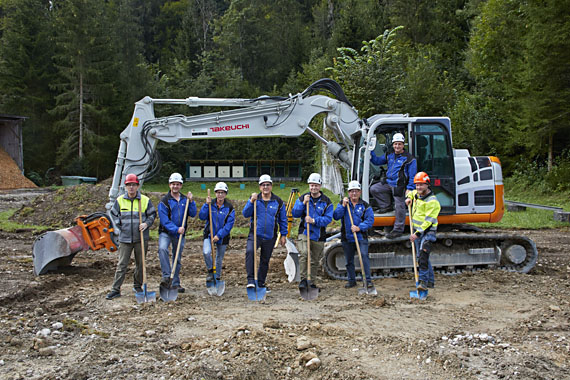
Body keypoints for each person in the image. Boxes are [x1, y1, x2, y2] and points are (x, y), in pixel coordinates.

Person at [106, 173, 156, 300]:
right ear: (125, 187)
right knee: (122, 264)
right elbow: (113, 214)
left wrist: (146, 223)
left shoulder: (144, 200)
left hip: (141, 238)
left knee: (140, 264)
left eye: (134, 185)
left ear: (138, 186)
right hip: (125, 238)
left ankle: (137, 286)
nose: (131, 187)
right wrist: (119, 225)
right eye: (129, 185)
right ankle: (115, 289)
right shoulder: (120, 200)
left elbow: (152, 215)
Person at [242, 174, 287, 292]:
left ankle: (261, 283)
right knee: (250, 252)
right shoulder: (255, 199)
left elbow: (283, 219)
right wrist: (251, 201)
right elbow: (245, 214)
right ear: (260, 187)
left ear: (271, 186)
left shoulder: (278, 201)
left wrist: (283, 234)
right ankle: (251, 280)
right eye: (263, 185)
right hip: (255, 234)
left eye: (267, 184)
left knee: (265, 260)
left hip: (270, 236)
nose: (265, 187)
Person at [369, 132, 417, 239]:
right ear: (393, 144)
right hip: (388, 183)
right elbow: (377, 161)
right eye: (395, 144)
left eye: (399, 144)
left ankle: (398, 229)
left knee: (400, 206)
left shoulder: (409, 159)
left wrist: (409, 188)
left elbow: (413, 175)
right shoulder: (390, 155)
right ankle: (386, 206)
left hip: (399, 185)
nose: (397, 146)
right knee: (374, 189)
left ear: (403, 145)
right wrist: (370, 151)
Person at [292, 173, 333, 291]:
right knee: (304, 253)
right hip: (305, 232)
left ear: (320, 186)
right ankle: (304, 280)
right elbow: (295, 213)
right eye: (311, 185)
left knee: (315, 260)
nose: (313, 188)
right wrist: (303, 203)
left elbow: (328, 219)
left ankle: (312, 282)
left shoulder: (326, 202)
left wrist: (314, 220)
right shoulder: (303, 198)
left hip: (319, 235)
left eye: (316, 185)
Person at [157, 173, 196, 293]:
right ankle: (167, 277)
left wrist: (192, 201)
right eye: (173, 184)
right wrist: (176, 229)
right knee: (162, 249)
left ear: (181, 185)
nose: (175, 186)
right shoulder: (164, 201)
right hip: (166, 232)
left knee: (177, 258)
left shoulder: (185, 199)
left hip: (179, 235)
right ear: (170, 185)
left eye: (178, 184)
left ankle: (176, 282)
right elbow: (164, 220)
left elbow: (193, 213)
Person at [333, 180, 375, 289]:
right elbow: (336, 216)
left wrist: (359, 227)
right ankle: (351, 280)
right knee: (349, 260)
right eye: (352, 191)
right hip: (347, 237)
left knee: (364, 256)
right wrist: (342, 206)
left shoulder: (365, 206)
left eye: (356, 191)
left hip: (361, 237)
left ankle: (367, 280)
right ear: (348, 193)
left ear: (360, 192)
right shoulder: (344, 204)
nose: (354, 194)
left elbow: (370, 221)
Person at [405, 171, 440, 290]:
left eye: (421, 184)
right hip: (417, 230)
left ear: (427, 185)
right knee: (421, 256)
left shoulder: (433, 202)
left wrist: (417, 234)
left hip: (427, 231)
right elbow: (411, 193)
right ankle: (430, 282)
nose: (418, 187)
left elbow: (428, 222)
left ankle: (423, 283)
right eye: (417, 184)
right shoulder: (417, 194)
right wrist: (408, 198)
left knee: (423, 257)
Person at [198, 181, 235, 282]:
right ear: (215, 193)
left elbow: (229, 225)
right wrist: (206, 205)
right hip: (209, 234)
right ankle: (210, 270)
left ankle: (217, 277)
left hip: (222, 237)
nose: (220, 195)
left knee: (219, 258)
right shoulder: (210, 204)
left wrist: (219, 235)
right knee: (206, 252)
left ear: (225, 194)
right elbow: (201, 216)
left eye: (222, 192)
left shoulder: (229, 208)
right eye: (218, 192)